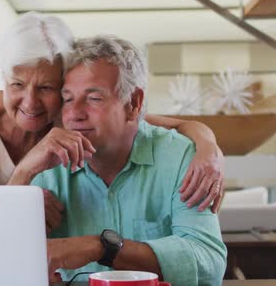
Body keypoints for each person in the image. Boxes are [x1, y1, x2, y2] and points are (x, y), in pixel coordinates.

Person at [0, 12, 224, 215]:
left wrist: (209, 152)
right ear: (2, 80)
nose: (31, 102)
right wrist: (23, 197)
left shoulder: (70, 116)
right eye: (17, 84)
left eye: (47, 87)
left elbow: (179, 124)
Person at [26, 35, 226, 285]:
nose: (75, 114)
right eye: (67, 99)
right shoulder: (46, 169)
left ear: (133, 103)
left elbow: (209, 264)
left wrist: (101, 247)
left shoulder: (181, 157)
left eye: (94, 98)